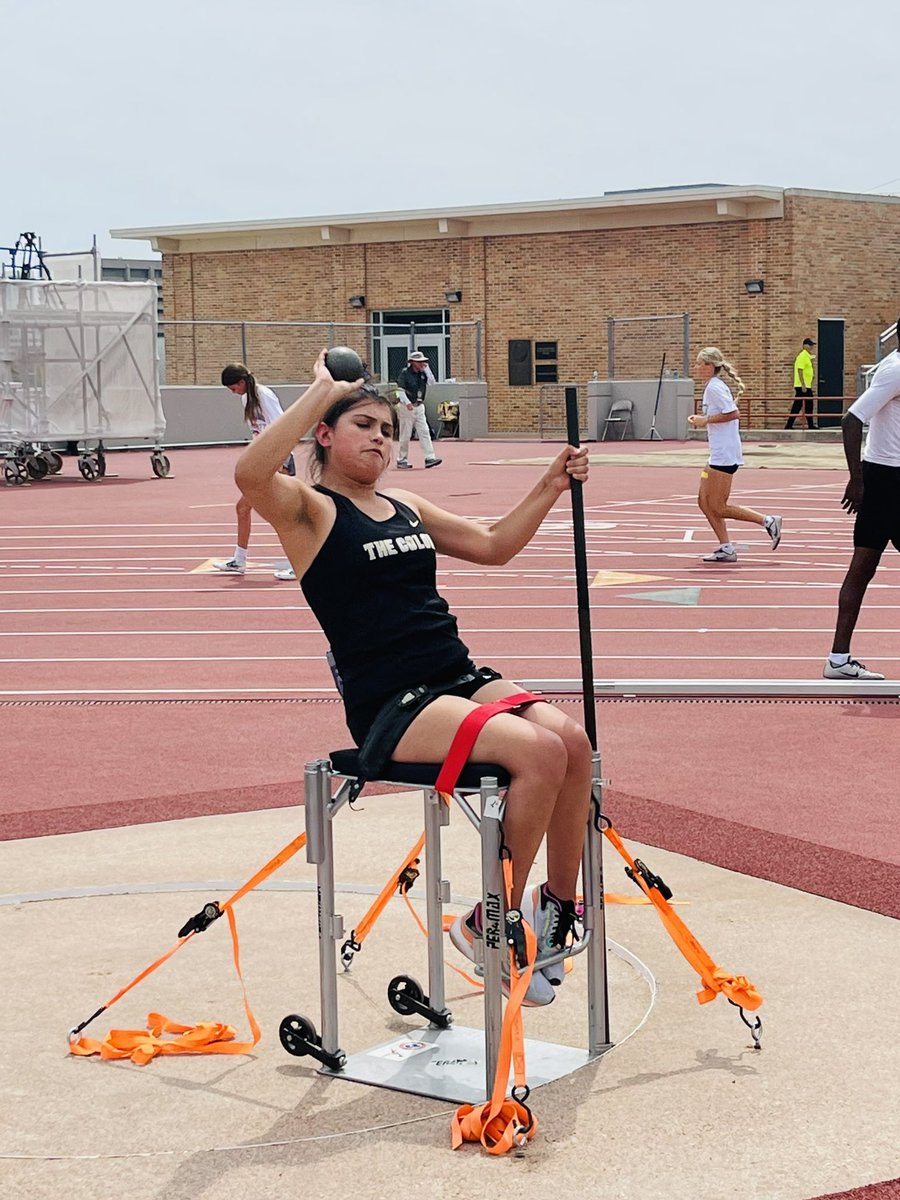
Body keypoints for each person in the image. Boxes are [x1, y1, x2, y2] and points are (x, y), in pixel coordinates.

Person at [233, 349, 592, 1004]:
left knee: (572, 742)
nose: (379, 438)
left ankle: (557, 911)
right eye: (364, 425)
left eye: (388, 430)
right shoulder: (309, 512)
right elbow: (251, 472)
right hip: (392, 703)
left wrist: (551, 483)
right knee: (536, 753)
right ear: (325, 434)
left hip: (453, 673)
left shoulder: (407, 506)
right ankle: (494, 921)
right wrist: (321, 387)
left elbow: (494, 546)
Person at [823, 335, 900, 681]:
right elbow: (851, 420)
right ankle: (838, 659)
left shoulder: (892, 365)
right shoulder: (896, 370)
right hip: (886, 482)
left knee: (861, 570)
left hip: (886, 478)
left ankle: (838, 659)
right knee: (861, 570)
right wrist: (857, 481)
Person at [688, 347, 783, 562]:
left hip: (725, 456)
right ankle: (726, 548)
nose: (695, 367)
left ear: (709, 366)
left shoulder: (714, 387)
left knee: (718, 506)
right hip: (718, 454)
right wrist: (704, 418)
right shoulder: (712, 387)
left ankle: (768, 521)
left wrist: (705, 420)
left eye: (698, 364)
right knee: (703, 502)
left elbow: (732, 413)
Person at [213, 363, 297, 579]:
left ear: (241, 382)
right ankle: (239, 560)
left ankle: (297, 562)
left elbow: (283, 427)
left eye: (233, 388)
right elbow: (258, 432)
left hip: (277, 461)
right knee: (243, 508)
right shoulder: (246, 398)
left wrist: (280, 462)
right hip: (263, 461)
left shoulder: (264, 395)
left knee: (282, 513)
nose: (234, 393)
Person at [394, 350, 442, 469]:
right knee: (405, 434)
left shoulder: (423, 373)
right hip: (407, 407)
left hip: (419, 406)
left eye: (423, 362)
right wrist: (407, 402)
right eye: (419, 362)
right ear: (413, 362)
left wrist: (427, 370)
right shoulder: (405, 374)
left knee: (424, 432)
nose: (422, 364)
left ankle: (429, 457)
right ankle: (402, 459)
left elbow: (432, 382)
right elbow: (400, 390)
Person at [785, 338, 817, 430]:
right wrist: (803, 385)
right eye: (809, 345)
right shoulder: (802, 356)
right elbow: (800, 370)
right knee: (804, 405)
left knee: (802, 405)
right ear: (804, 345)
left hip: (806, 386)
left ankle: (790, 425)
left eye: (812, 345)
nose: (811, 347)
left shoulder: (807, 356)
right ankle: (790, 425)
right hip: (803, 386)